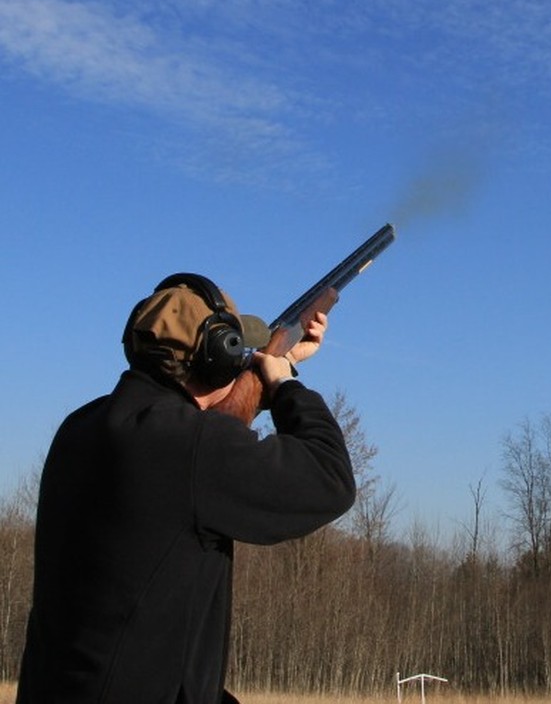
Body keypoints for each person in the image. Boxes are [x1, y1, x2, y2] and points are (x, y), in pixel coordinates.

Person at [17, 273, 356, 703]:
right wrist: (285, 383)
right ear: (216, 356)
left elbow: (193, 456)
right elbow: (330, 480)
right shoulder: (191, 448)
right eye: (237, 350)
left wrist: (258, 381)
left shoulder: (82, 427)